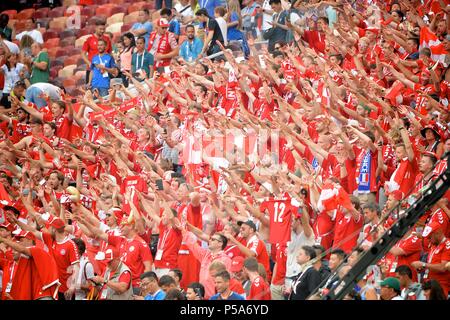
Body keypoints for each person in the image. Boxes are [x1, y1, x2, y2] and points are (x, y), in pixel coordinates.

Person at [0, 230, 60, 300]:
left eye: (21, 240)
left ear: (30, 240)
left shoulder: (36, 249)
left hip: (43, 294)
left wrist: (3, 240)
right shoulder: (26, 256)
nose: (19, 243)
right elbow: (14, 258)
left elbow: (22, 250)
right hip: (35, 294)